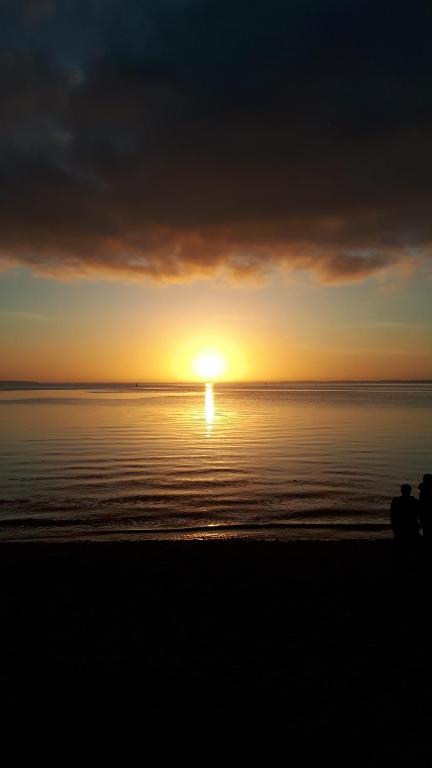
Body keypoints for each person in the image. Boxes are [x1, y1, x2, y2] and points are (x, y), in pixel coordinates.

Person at [419, 473, 432, 540]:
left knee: (425, 527)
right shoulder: (428, 488)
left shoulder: (422, 487)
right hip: (427, 510)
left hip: (423, 510)